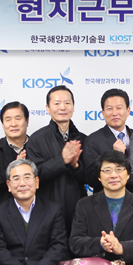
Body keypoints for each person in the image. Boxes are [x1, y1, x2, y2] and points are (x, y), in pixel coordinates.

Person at [26, 85, 86, 233]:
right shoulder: (36, 139)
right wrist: (62, 160)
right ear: (48, 108)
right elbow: (34, 175)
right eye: (57, 103)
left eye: (67, 103)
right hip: (47, 211)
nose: (63, 107)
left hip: (79, 210)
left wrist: (75, 166)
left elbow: (91, 177)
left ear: (73, 106)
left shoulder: (83, 139)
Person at [82, 89, 133, 193]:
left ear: (128, 110)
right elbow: (90, 179)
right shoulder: (93, 140)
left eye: (119, 108)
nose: (114, 113)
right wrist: (115, 156)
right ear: (103, 113)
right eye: (109, 109)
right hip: (106, 201)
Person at [0, 101, 30, 209]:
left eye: (18, 118)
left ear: (27, 121)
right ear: (3, 124)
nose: (13, 124)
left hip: (36, 213)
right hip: (2, 216)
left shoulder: (38, 147)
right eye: (8, 120)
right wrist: (11, 170)